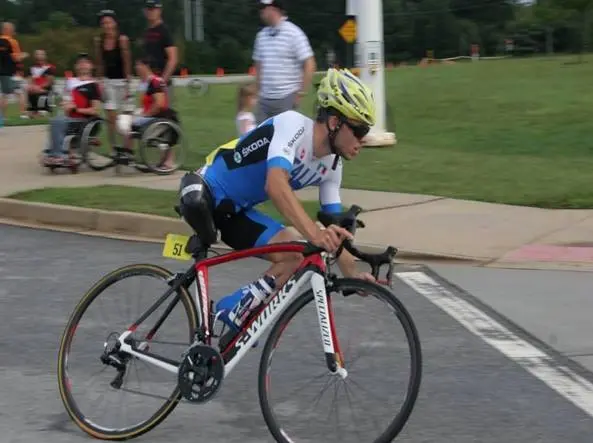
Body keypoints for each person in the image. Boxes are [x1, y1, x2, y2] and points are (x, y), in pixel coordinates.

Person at [177, 68, 376, 338]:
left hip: (238, 212)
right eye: (359, 129)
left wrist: (354, 276)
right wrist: (315, 233)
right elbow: (276, 184)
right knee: (299, 241)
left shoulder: (332, 167)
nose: (363, 140)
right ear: (333, 121)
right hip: (207, 192)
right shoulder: (293, 126)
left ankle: (232, 311)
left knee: (295, 255)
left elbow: (334, 232)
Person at [252, 0, 316, 124]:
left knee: (285, 139)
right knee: (260, 139)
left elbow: (309, 63)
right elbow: (258, 65)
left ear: (275, 9)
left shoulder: (294, 33)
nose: (261, 11)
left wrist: (301, 92)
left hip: (286, 98)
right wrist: (257, 91)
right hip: (264, 100)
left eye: (263, 7)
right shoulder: (261, 36)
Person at [42, 53, 102, 166]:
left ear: (91, 66)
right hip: (69, 118)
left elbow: (95, 110)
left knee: (58, 121)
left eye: (86, 63)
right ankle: (53, 154)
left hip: (84, 120)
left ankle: (58, 155)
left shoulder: (93, 85)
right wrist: (65, 104)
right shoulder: (71, 82)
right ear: (76, 66)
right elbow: (66, 100)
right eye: (80, 63)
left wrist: (76, 109)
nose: (83, 65)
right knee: (55, 120)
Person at [120, 57, 177, 169]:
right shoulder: (145, 83)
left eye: (138, 65)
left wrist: (145, 115)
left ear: (146, 66)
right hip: (151, 116)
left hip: (159, 117)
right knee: (125, 120)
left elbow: (159, 104)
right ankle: (127, 152)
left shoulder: (155, 82)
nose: (136, 68)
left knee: (128, 123)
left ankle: (128, 153)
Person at [94, 9, 132, 146]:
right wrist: (99, 80)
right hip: (108, 81)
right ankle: (114, 147)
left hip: (121, 81)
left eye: (109, 22)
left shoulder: (122, 39)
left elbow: (127, 61)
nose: (106, 26)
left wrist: (128, 83)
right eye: (104, 23)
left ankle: (128, 147)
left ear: (115, 23)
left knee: (124, 118)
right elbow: (99, 62)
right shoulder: (100, 41)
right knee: (111, 117)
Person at [142, 0, 177, 105]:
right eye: (148, 9)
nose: (151, 12)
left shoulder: (164, 31)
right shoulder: (148, 31)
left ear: (159, 11)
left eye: (153, 9)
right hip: (150, 82)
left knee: (164, 116)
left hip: (162, 82)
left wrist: (162, 82)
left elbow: (173, 59)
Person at [0, 22, 28, 128]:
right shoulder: (12, 41)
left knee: (4, 94)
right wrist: (24, 55)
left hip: (3, 73)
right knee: (20, 90)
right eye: (12, 28)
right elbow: (16, 58)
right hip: (9, 72)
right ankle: (22, 114)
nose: (13, 30)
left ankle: (3, 117)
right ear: (7, 30)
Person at [23, 49, 56, 118]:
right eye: (37, 54)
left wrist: (38, 87)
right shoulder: (31, 68)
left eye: (41, 54)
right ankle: (32, 111)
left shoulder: (49, 67)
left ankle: (40, 110)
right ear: (34, 56)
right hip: (35, 89)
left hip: (46, 89)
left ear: (45, 56)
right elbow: (29, 80)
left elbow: (50, 82)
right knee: (27, 88)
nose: (39, 56)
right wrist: (32, 86)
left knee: (36, 90)